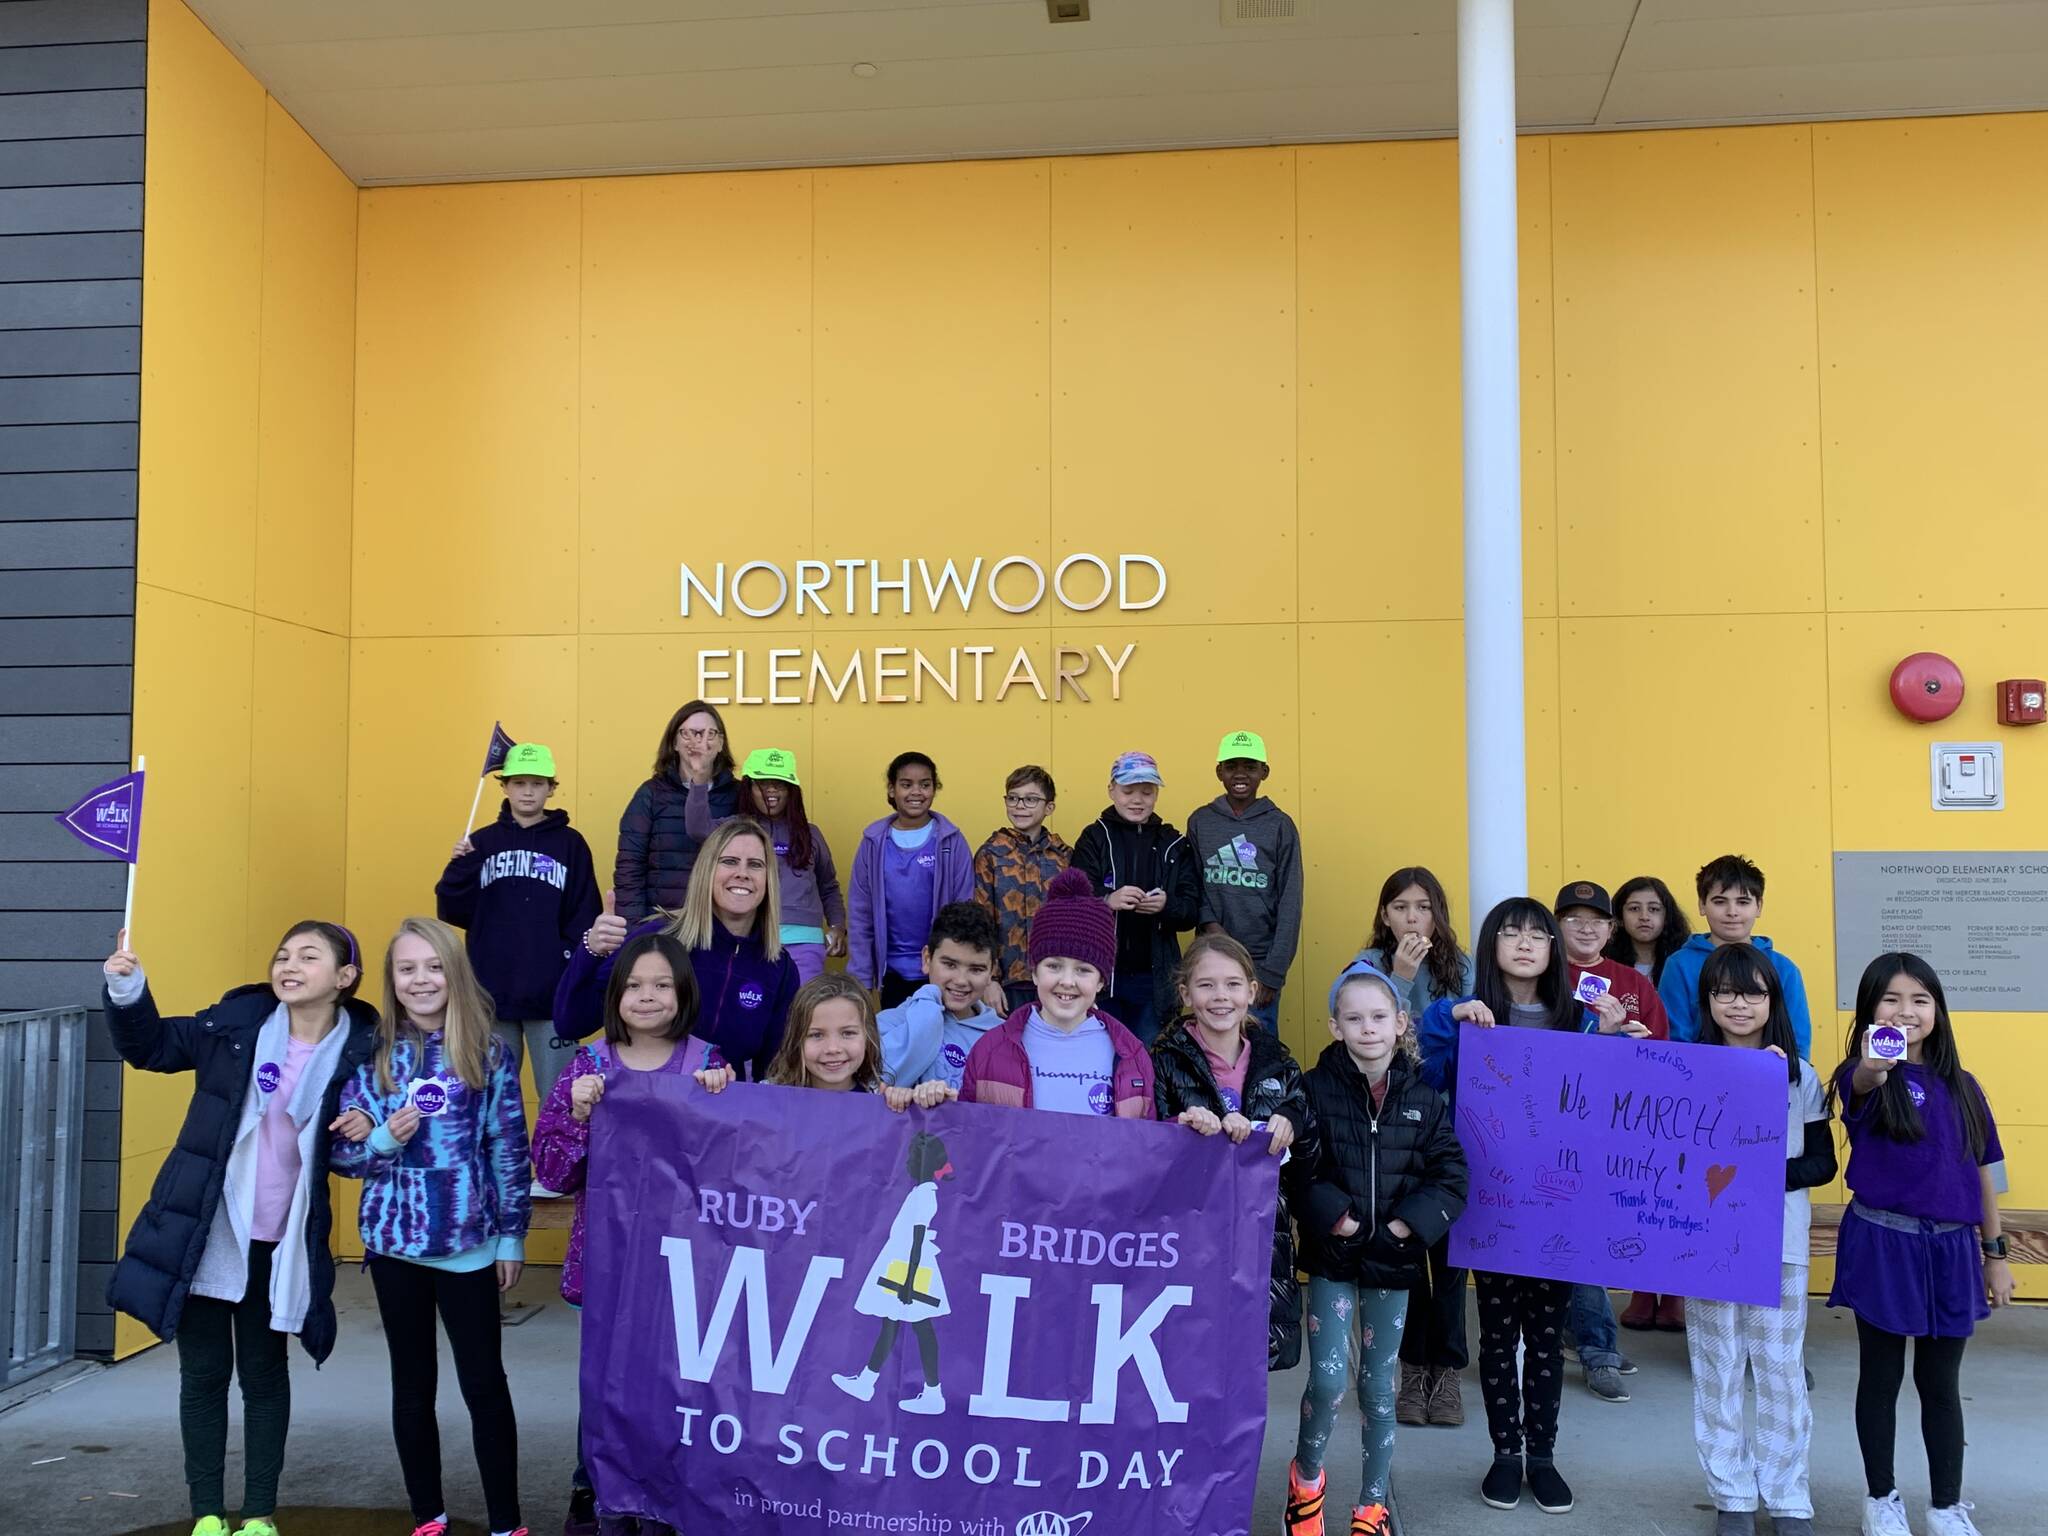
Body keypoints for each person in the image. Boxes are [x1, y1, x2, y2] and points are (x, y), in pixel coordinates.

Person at [103, 921, 376, 1536]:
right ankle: (206, 1513)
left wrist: (366, 1119)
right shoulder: (236, 1024)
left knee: (263, 1375)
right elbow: (152, 1048)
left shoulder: (363, 1046)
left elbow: (381, 1125)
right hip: (207, 1228)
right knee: (202, 1376)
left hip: (279, 1244)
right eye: (282, 954)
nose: (290, 965)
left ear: (344, 977)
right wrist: (128, 990)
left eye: (310, 956)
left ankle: (257, 1514)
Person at [330, 918, 530, 1536]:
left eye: (434, 966)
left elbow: (507, 1145)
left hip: (468, 1245)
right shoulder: (371, 1055)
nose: (422, 980)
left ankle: (506, 1523)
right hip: (394, 1248)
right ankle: (428, 1516)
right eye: (407, 968)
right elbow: (343, 1157)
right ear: (391, 981)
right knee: (412, 1388)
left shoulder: (487, 1051)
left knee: (484, 1388)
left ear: (455, 974)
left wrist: (511, 1233)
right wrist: (385, 1137)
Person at [529, 932, 731, 1536]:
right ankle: (592, 1489)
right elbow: (554, 1170)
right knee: (606, 1384)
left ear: (683, 993)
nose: (647, 996)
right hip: (611, 1264)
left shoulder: (708, 1064)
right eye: (635, 985)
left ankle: (669, 1494)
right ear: (615, 994)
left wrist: (721, 1104)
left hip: (684, 1267)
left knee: (675, 1382)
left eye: (662, 984)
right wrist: (576, 1115)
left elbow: (732, 1170)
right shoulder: (589, 1066)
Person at [1827, 954, 2013, 1536]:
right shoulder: (1860, 1075)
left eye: (1919, 1000)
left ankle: (1945, 1506)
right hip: (1883, 1243)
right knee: (1880, 1379)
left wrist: (1996, 1253)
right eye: (1890, 1000)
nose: (1905, 1011)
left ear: (1938, 1010)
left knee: (1941, 1385)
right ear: (1868, 1010)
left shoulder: (1965, 1086)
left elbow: (1983, 1175)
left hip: (1952, 1252)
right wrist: (1874, 1064)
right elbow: (1861, 1083)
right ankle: (1880, 1499)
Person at [1283, 960, 1468, 1536]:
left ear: (1401, 1022)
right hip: (1334, 1260)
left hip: (1392, 1262)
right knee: (1331, 1379)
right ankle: (1306, 1483)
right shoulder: (1312, 1089)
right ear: (1335, 1026)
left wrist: (1405, 1229)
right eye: (1354, 1018)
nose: (1368, 1028)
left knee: (1379, 1387)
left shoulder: (1423, 1096)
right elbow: (1297, 1170)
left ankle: (1371, 1507)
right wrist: (1332, 1217)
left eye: (1379, 1017)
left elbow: (1452, 1174)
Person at [1417, 897, 1583, 1516]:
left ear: (1553, 950)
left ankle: (1542, 1455)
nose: (1523, 944)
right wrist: (1446, 1016)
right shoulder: (1470, 1019)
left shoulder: (1579, 1024)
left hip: (1560, 1209)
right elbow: (1427, 1075)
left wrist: (1621, 1044)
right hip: (1490, 1203)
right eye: (1510, 933)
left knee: (1545, 1337)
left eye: (1537, 935)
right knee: (1497, 1335)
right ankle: (1504, 1453)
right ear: (1489, 948)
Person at [1687, 942, 1835, 1536]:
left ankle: (1789, 1497)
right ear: (1708, 1001)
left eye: (1752, 992)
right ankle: (1732, 1497)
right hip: (1700, 1245)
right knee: (1716, 1368)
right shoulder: (1688, 1066)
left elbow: (1821, 1163)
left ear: (1773, 1000)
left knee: (1780, 1371)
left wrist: (1757, 1168)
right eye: (1725, 992)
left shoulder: (1800, 1074)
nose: (1739, 1004)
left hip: (1780, 1245)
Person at [1151, 933, 1311, 1368]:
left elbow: (1311, 1156)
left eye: (1233, 984)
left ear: (1252, 992)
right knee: (1185, 1365)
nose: (1220, 996)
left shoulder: (1280, 1063)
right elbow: (1146, 1154)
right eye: (1206, 985)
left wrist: (1293, 1125)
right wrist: (1185, 1129)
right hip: (1189, 1240)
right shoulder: (1163, 1061)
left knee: (1248, 1376)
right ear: (1185, 993)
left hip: (1263, 1242)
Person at [435, 741, 601, 1160]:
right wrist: (460, 868)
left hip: (552, 998)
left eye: (538, 783)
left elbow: (585, 915)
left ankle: (556, 1172)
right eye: (519, 783)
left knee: (560, 1094)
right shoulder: (482, 843)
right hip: (491, 995)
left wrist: (566, 967)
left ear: (551, 789)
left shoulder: (570, 844)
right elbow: (453, 909)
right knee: (493, 1094)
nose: (528, 792)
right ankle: (497, 1171)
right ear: (504, 787)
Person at [1358, 866, 1476, 1429]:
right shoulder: (1367, 969)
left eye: (1423, 907)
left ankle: (1446, 1371)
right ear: (1384, 915)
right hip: (1393, 1132)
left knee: (1450, 1262)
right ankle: (1409, 1370)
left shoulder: (1465, 968)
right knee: (1403, 1258)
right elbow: (1379, 1043)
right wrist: (1400, 977)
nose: (1412, 917)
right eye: (1400, 907)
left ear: (1438, 913)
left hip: (1454, 1133)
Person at [554, 818, 801, 1082]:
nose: (742, 873)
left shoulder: (779, 968)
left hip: (721, 1112)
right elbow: (571, 1023)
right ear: (706, 870)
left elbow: (775, 1072)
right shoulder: (660, 939)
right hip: (647, 1104)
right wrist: (590, 951)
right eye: (729, 861)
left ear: (769, 879)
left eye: (755, 864)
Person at [1552, 878, 1666, 1393]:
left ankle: (1586, 1335)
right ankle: (1598, 1345)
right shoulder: (1545, 976)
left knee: (1586, 1237)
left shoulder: (1631, 983)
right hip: (1551, 1128)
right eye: (1573, 919)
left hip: (1615, 1134)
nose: (1585, 928)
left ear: (1611, 928)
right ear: (1557, 927)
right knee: (1571, 1236)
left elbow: (1666, 1060)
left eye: (1595, 920)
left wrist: (1634, 1046)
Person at [959, 866, 1156, 1117]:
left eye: (1083, 970)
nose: (1067, 981)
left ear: (1101, 981)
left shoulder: (1132, 1056)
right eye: (1054, 966)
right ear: (1034, 972)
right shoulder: (989, 1050)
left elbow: (1147, 1145)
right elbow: (968, 1137)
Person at [685, 746, 844, 986]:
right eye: (763, 783)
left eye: (779, 784)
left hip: (804, 942)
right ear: (748, 788)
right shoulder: (735, 829)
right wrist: (698, 780)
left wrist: (837, 925)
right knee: (754, 1014)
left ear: (792, 790)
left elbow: (828, 885)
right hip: (750, 937)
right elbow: (698, 829)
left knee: (802, 1015)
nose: (772, 790)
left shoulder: (811, 834)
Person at [1070, 750, 1199, 1045]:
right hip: (1101, 977)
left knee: (1148, 1060)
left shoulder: (1174, 843)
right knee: (1103, 1058)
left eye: (1147, 791)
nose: (1137, 800)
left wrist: (1167, 906)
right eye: (1128, 791)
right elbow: (1072, 901)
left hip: (1154, 982)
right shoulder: (1094, 837)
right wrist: (1107, 901)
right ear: (1112, 790)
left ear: (1156, 794)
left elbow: (1191, 910)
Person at [1186, 729, 1304, 1032]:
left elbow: (1290, 902)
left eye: (1250, 766)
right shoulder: (1201, 821)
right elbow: (1194, 885)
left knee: (1258, 1048)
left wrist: (1272, 974)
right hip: (1211, 958)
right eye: (1231, 766)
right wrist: (1215, 932)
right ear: (1219, 772)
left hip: (1260, 965)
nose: (1240, 774)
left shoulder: (1280, 825)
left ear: (1264, 772)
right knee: (1211, 1042)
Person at [846, 751, 974, 1009]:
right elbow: (861, 914)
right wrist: (861, 976)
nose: (916, 792)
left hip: (940, 974)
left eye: (925, 784)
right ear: (892, 790)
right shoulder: (873, 842)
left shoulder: (952, 841)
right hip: (890, 973)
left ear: (934, 789)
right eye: (906, 784)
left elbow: (965, 909)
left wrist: (957, 969)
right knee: (897, 1043)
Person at [1658, 854, 1813, 1058]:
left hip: (1769, 1078)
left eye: (1743, 902)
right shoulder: (1679, 965)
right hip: (1697, 1081)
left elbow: (1797, 1045)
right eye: (1720, 901)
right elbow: (1674, 1041)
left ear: (1759, 906)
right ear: (1702, 905)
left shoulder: (1783, 968)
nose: (1732, 912)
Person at [613, 700, 738, 922]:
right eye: (689, 733)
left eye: (709, 734)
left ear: (721, 744)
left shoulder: (737, 794)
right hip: (664, 921)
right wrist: (634, 929)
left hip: (721, 923)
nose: (699, 741)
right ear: (674, 743)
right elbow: (630, 866)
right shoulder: (651, 794)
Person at [973, 764, 1071, 1013]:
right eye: (1013, 798)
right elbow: (981, 921)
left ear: (1049, 807)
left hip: (1055, 979)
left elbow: (1074, 920)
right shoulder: (991, 854)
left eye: (1030, 800)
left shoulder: (1063, 857)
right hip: (1008, 981)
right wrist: (990, 979)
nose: (1020, 806)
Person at [879, 901, 1004, 1092]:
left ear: (992, 971)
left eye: (976, 969)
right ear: (927, 959)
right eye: (950, 965)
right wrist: (928, 1001)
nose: (961, 980)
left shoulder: (1002, 1037)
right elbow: (879, 1085)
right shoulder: (887, 1024)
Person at [1603, 875, 1692, 985]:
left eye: (1654, 909)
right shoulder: (1603, 963)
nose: (1644, 917)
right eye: (1634, 908)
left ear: (1667, 917)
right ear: (1620, 917)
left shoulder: (1683, 963)